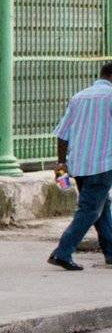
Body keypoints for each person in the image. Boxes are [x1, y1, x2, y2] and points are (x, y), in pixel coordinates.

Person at [47, 61, 112, 271]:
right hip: (102, 163)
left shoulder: (79, 97)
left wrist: (61, 162)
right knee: (90, 209)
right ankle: (62, 252)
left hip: (78, 164)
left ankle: (111, 252)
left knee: (101, 209)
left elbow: (62, 133)